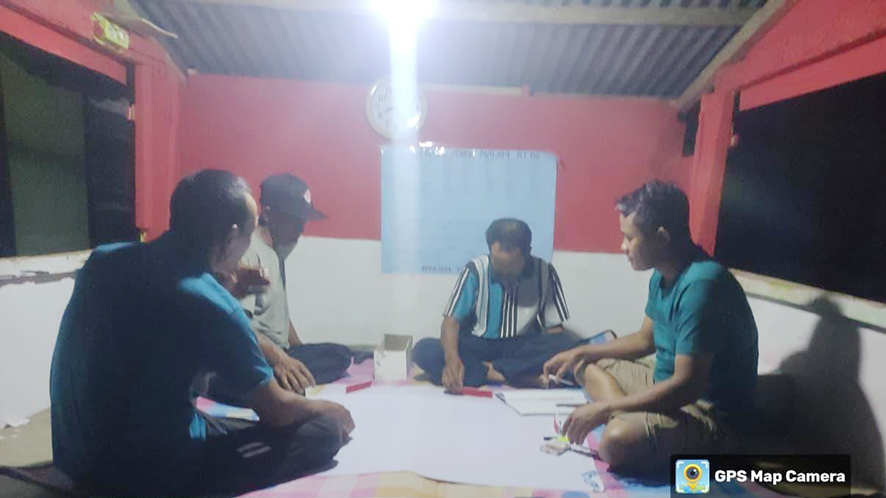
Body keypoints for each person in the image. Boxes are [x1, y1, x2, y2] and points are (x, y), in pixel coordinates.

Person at [50, 170, 355, 497]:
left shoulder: (102, 261)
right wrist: (333, 410)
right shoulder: (215, 305)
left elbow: (164, 320)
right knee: (323, 431)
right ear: (231, 237)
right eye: (248, 235)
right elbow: (277, 410)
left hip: (76, 458)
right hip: (143, 475)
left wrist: (225, 288)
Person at [543, 180, 758, 473]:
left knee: (614, 442)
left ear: (661, 238)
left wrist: (605, 408)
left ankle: (624, 418)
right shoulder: (662, 275)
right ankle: (627, 414)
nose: (623, 247)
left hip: (707, 412)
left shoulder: (702, 285)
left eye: (629, 238)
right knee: (583, 365)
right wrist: (582, 350)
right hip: (663, 385)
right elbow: (646, 340)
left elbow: (687, 386)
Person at [217, 174, 353, 395]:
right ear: (268, 214)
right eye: (294, 220)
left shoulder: (276, 252)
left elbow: (280, 314)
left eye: (303, 221)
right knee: (336, 358)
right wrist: (280, 359)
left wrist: (299, 350)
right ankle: (260, 382)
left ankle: (276, 379)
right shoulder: (250, 253)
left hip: (280, 350)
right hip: (256, 354)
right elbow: (238, 324)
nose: (301, 228)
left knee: (340, 355)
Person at [413, 218, 579, 392]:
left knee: (565, 343)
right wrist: (451, 359)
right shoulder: (475, 269)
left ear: (527, 253)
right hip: (479, 343)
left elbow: (554, 329)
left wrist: (557, 354)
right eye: (498, 267)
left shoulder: (545, 272)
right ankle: (508, 376)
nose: (504, 274)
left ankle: (483, 372)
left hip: (520, 347)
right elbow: (451, 321)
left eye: (511, 268)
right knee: (423, 349)